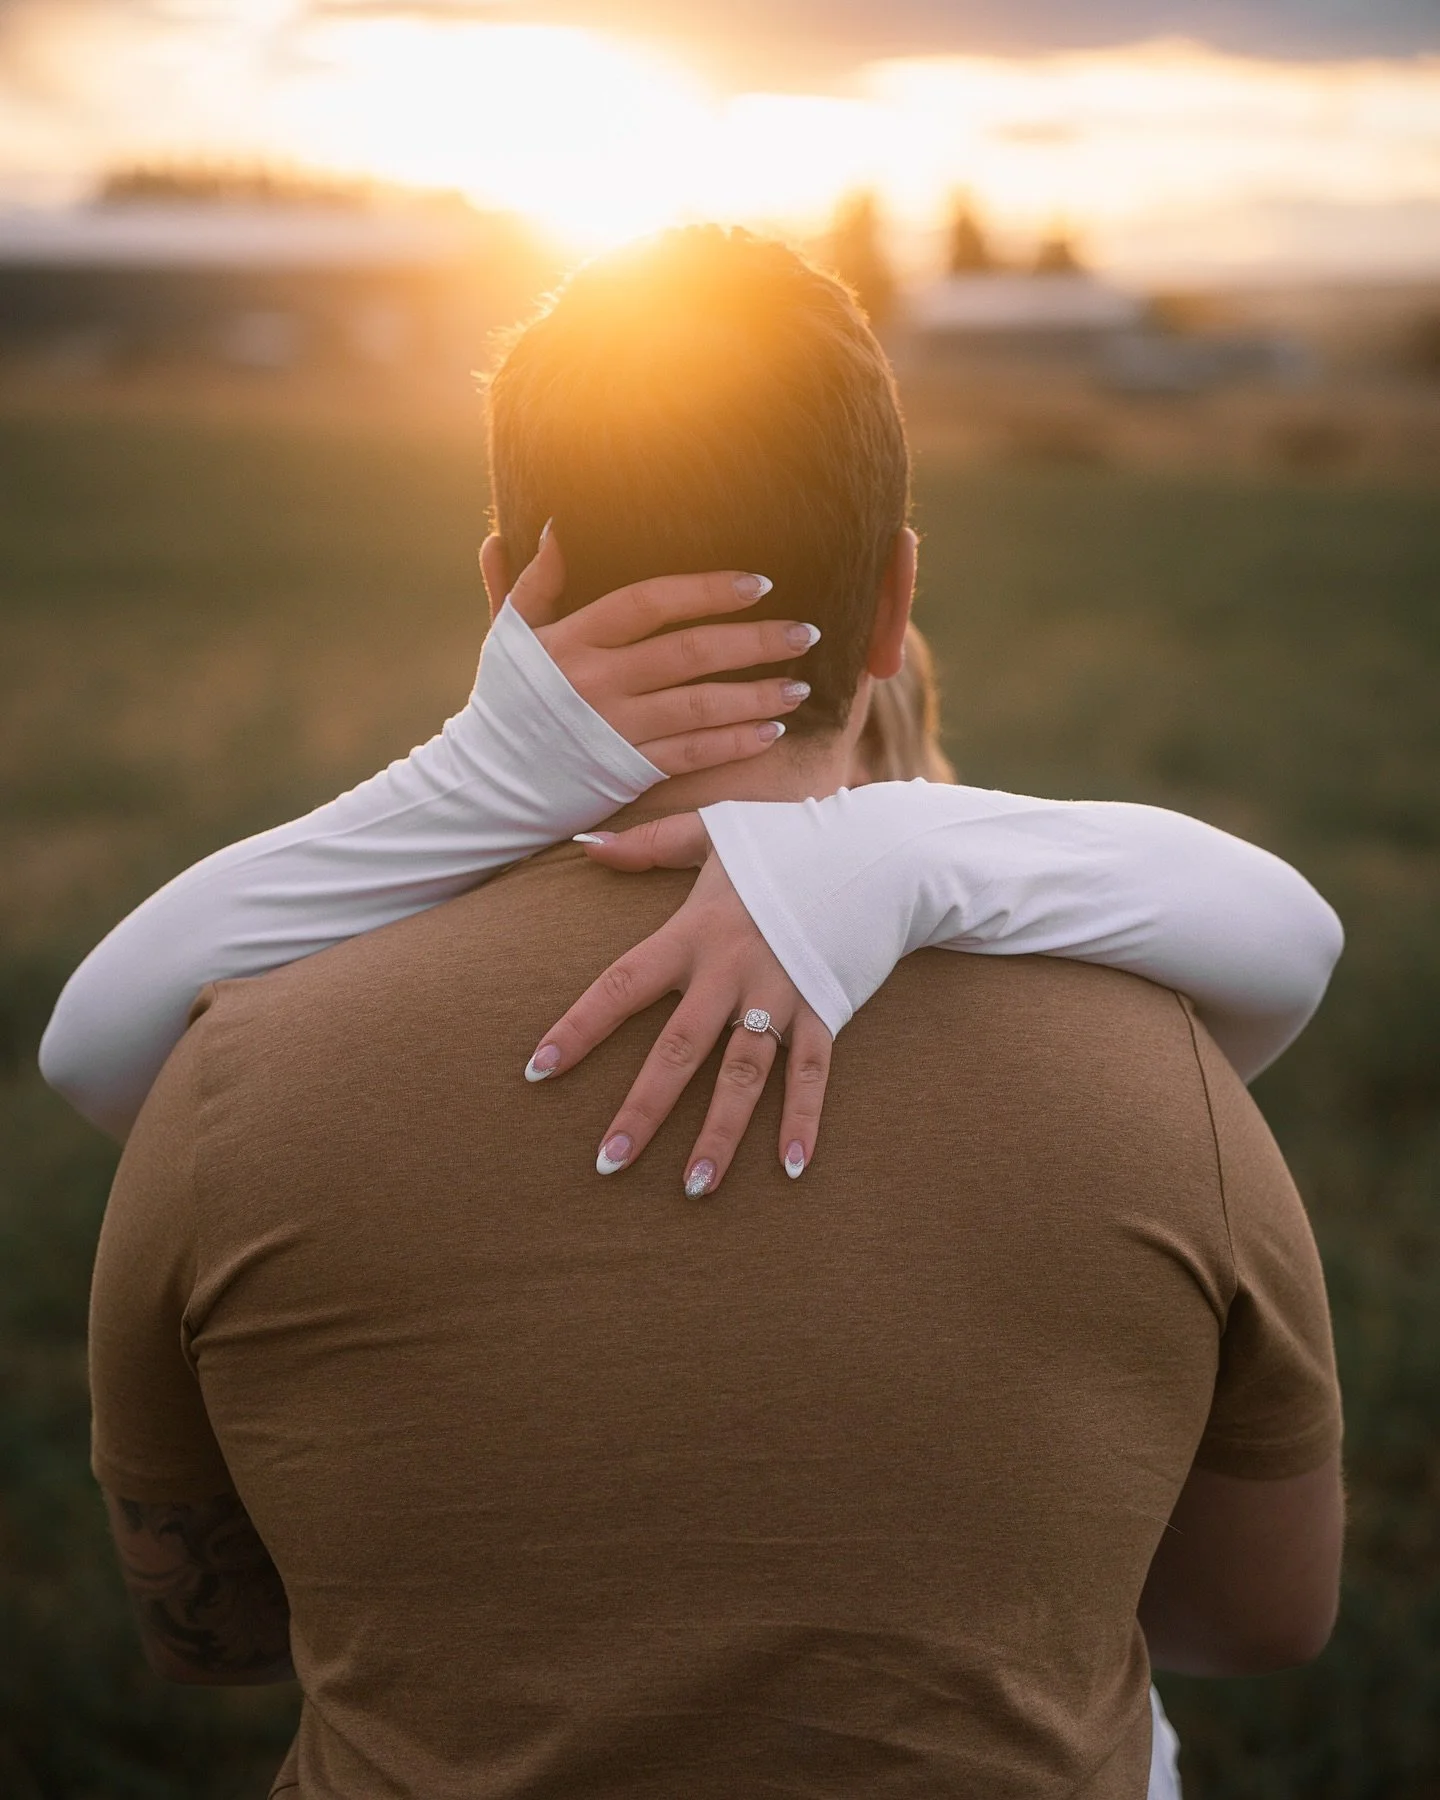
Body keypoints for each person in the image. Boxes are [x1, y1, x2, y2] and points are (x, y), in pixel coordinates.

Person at [79, 228, 1342, 1798]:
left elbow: (211, 1636)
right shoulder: (1166, 1074)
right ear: (895, 606)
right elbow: (1258, 1616)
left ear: (499, 605)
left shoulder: (232, 1080)